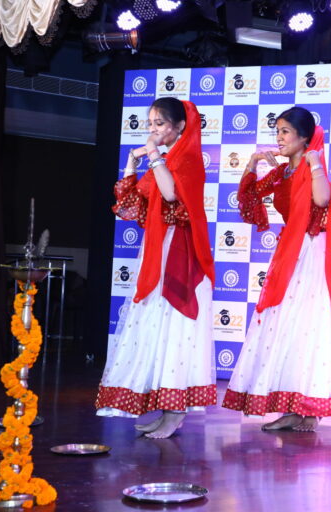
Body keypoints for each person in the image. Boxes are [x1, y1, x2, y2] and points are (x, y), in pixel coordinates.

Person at [96, 98, 217, 439]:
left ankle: (175, 412)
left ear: (180, 127)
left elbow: (171, 193)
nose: (153, 130)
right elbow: (130, 206)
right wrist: (131, 162)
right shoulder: (161, 161)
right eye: (150, 124)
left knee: (175, 328)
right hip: (158, 250)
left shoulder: (188, 158)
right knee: (157, 327)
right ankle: (166, 410)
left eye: (160, 124)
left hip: (181, 254)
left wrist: (152, 153)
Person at [221, 107, 331, 432]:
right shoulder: (282, 173)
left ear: (304, 137)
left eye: (285, 131)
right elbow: (248, 198)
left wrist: (315, 163)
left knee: (305, 326)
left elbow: (322, 200)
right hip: (288, 251)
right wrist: (252, 163)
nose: (279, 138)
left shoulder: (312, 166)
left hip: (309, 254)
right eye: (277, 131)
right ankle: (290, 407)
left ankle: (308, 409)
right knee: (283, 326)